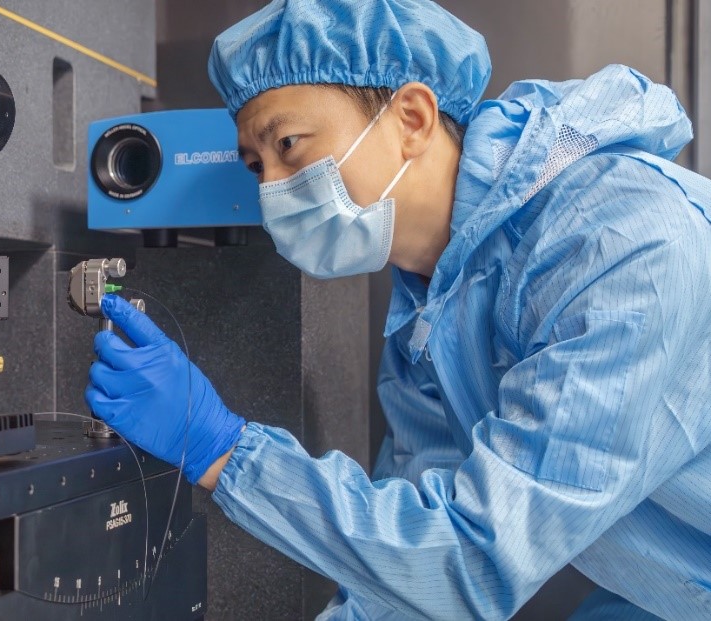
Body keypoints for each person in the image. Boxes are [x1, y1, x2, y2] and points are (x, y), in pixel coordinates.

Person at [85, 0, 711, 618]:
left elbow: (471, 559)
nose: (272, 191)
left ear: (412, 118)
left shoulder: (622, 243)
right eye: (256, 166)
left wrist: (223, 451)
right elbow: (401, 565)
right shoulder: (434, 308)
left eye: (289, 144)